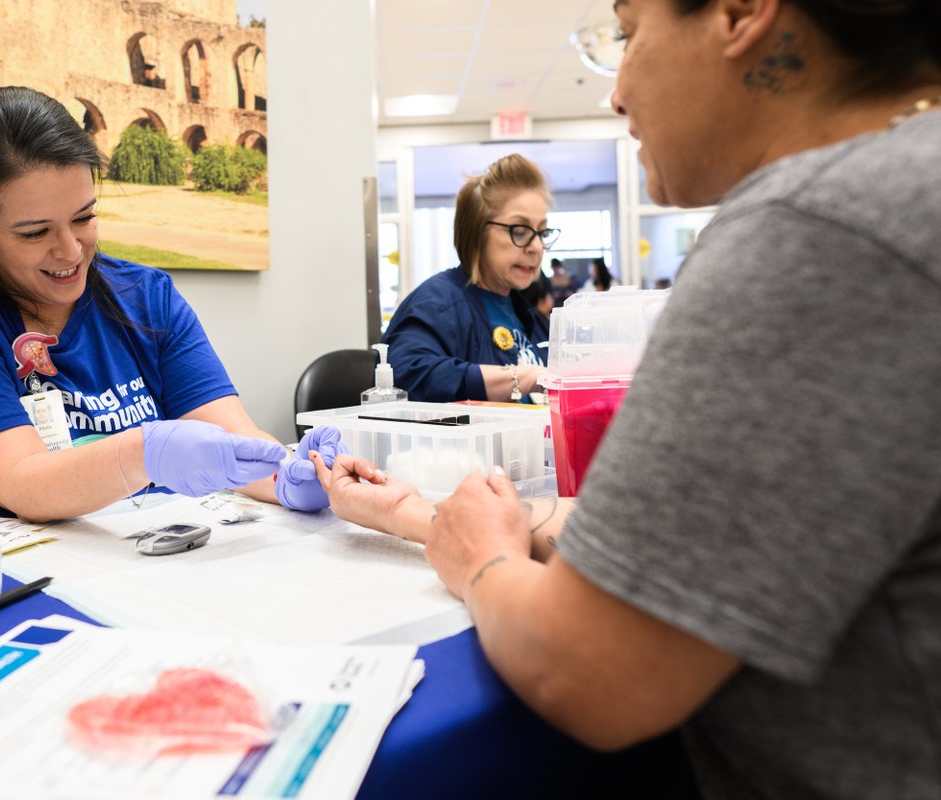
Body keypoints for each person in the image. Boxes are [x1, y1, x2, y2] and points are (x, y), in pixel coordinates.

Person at [313, 1, 941, 798]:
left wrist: (484, 561)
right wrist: (424, 514)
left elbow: (589, 670)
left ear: (741, 12)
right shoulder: (897, 191)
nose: (615, 92)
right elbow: (695, 533)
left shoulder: (816, 228)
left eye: (629, 32)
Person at [0, 86, 343, 520]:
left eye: (84, 217)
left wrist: (289, 475)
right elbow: (25, 485)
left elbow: (231, 435)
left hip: (130, 553)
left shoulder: (146, 298)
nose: (70, 250)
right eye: (34, 232)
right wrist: (146, 452)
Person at [381, 154, 556, 403]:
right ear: (477, 233)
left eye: (542, 232)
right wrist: (522, 378)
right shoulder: (438, 302)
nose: (536, 246)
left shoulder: (526, 315)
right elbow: (405, 376)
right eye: (520, 230)